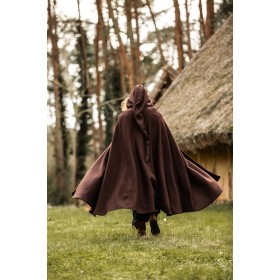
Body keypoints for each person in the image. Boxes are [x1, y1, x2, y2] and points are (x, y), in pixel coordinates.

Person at [72, 85, 223, 237]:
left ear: (130, 99)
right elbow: (165, 140)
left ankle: (141, 229)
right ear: (147, 98)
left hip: (133, 165)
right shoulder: (155, 115)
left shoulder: (124, 118)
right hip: (154, 163)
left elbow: (119, 143)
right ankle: (152, 216)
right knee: (153, 190)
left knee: (136, 193)